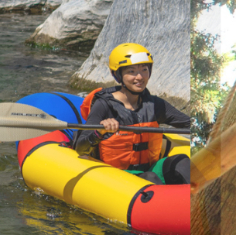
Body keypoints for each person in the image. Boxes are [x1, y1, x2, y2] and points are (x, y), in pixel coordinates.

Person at [77, 43, 194, 185]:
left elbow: (190, 123)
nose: (139, 77)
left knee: (182, 160)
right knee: (150, 178)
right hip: (116, 173)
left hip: (150, 168)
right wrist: (99, 131)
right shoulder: (103, 105)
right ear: (118, 75)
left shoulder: (155, 104)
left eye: (144, 70)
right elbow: (80, 148)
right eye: (131, 71)